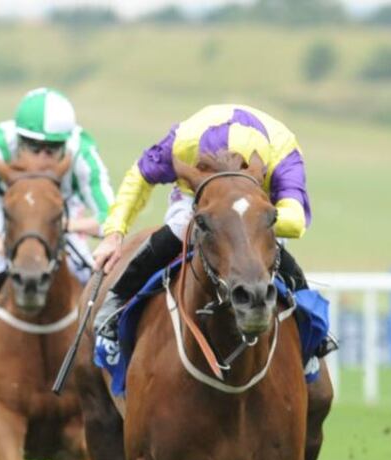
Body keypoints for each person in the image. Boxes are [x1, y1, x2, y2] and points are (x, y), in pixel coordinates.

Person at [92, 103, 331, 355]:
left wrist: (243, 222)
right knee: (177, 230)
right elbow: (139, 177)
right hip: (200, 198)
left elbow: (294, 221)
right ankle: (117, 301)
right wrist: (114, 233)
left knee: (270, 248)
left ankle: (312, 330)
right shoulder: (182, 143)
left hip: (253, 206)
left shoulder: (282, 152)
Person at [0, 87, 114, 306]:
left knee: (85, 269)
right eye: (33, 147)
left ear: (65, 143)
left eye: (52, 148)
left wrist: (66, 225)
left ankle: (109, 336)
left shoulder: (82, 153)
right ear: (19, 139)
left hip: (61, 215)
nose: (42, 158)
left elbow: (112, 218)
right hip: (10, 214)